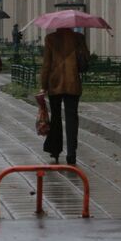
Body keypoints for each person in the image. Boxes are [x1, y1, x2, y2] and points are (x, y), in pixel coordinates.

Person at [39, 28, 89, 165]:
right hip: (73, 83)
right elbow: (85, 60)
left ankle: (55, 150)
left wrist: (43, 85)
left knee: (55, 117)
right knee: (72, 118)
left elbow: (47, 64)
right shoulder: (79, 37)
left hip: (55, 83)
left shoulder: (51, 38)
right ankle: (71, 154)